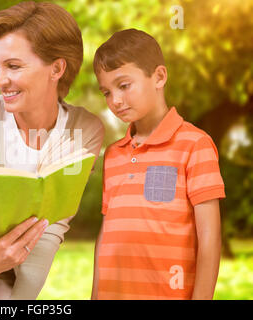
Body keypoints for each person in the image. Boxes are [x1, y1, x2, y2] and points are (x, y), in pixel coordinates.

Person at [0, 1, 105, 299]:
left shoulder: (85, 130)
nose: (0, 80)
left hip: (0, 286)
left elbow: (51, 228)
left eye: (13, 66)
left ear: (56, 68)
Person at [91, 29, 226, 300]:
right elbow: (107, 233)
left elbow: (209, 239)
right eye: (106, 91)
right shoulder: (113, 154)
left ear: (159, 77)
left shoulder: (195, 144)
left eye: (124, 85)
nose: (115, 100)